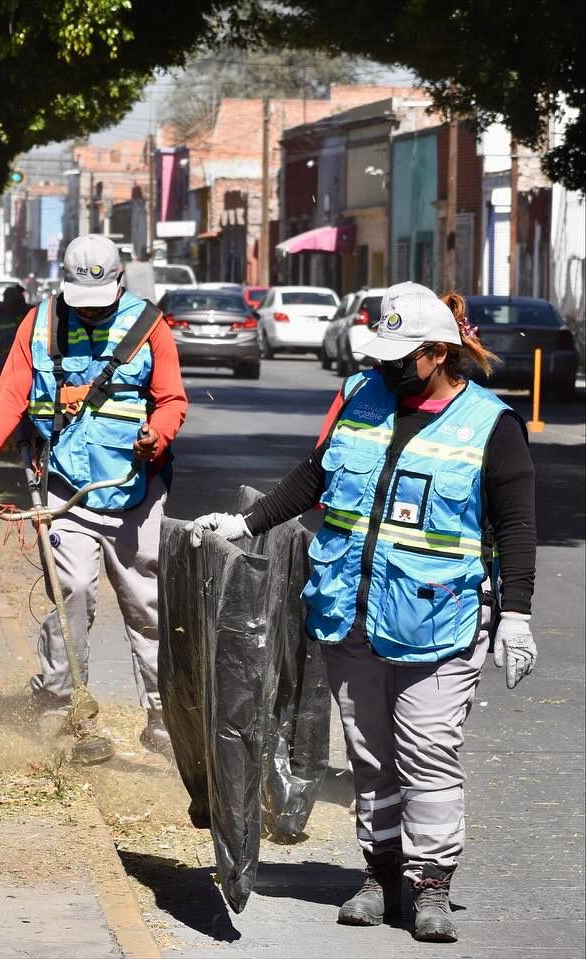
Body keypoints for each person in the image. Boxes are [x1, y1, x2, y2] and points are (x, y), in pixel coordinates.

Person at [187, 283, 538, 943]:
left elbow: (517, 527)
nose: (386, 368)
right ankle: (379, 873)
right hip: (351, 613)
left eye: (401, 357)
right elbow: (315, 476)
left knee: (427, 752)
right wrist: (248, 521)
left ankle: (432, 884)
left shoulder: (490, 425)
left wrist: (514, 613)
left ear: (438, 352)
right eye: (381, 356)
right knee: (372, 755)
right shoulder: (358, 396)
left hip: (440, 619)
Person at [0, 234, 188, 759]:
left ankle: (161, 717)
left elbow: (171, 399)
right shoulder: (37, 324)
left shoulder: (150, 326)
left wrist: (159, 434)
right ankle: (61, 708)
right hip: (63, 489)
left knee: (146, 605)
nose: (89, 313)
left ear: (120, 284)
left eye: (100, 303)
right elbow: (13, 394)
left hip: (134, 490)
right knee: (72, 592)